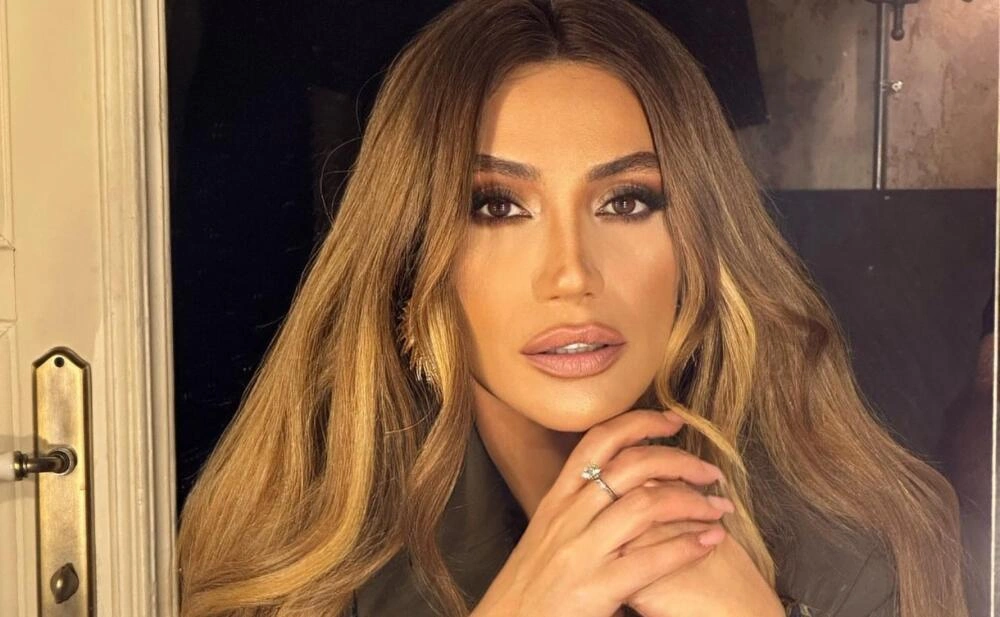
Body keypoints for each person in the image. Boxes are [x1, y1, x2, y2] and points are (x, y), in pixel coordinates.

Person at [177, 1, 970, 616]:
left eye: (627, 201)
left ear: (700, 247)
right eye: (495, 206)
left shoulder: (860, 547)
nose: (571, 273)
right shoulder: (298, 565)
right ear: (413, 260)